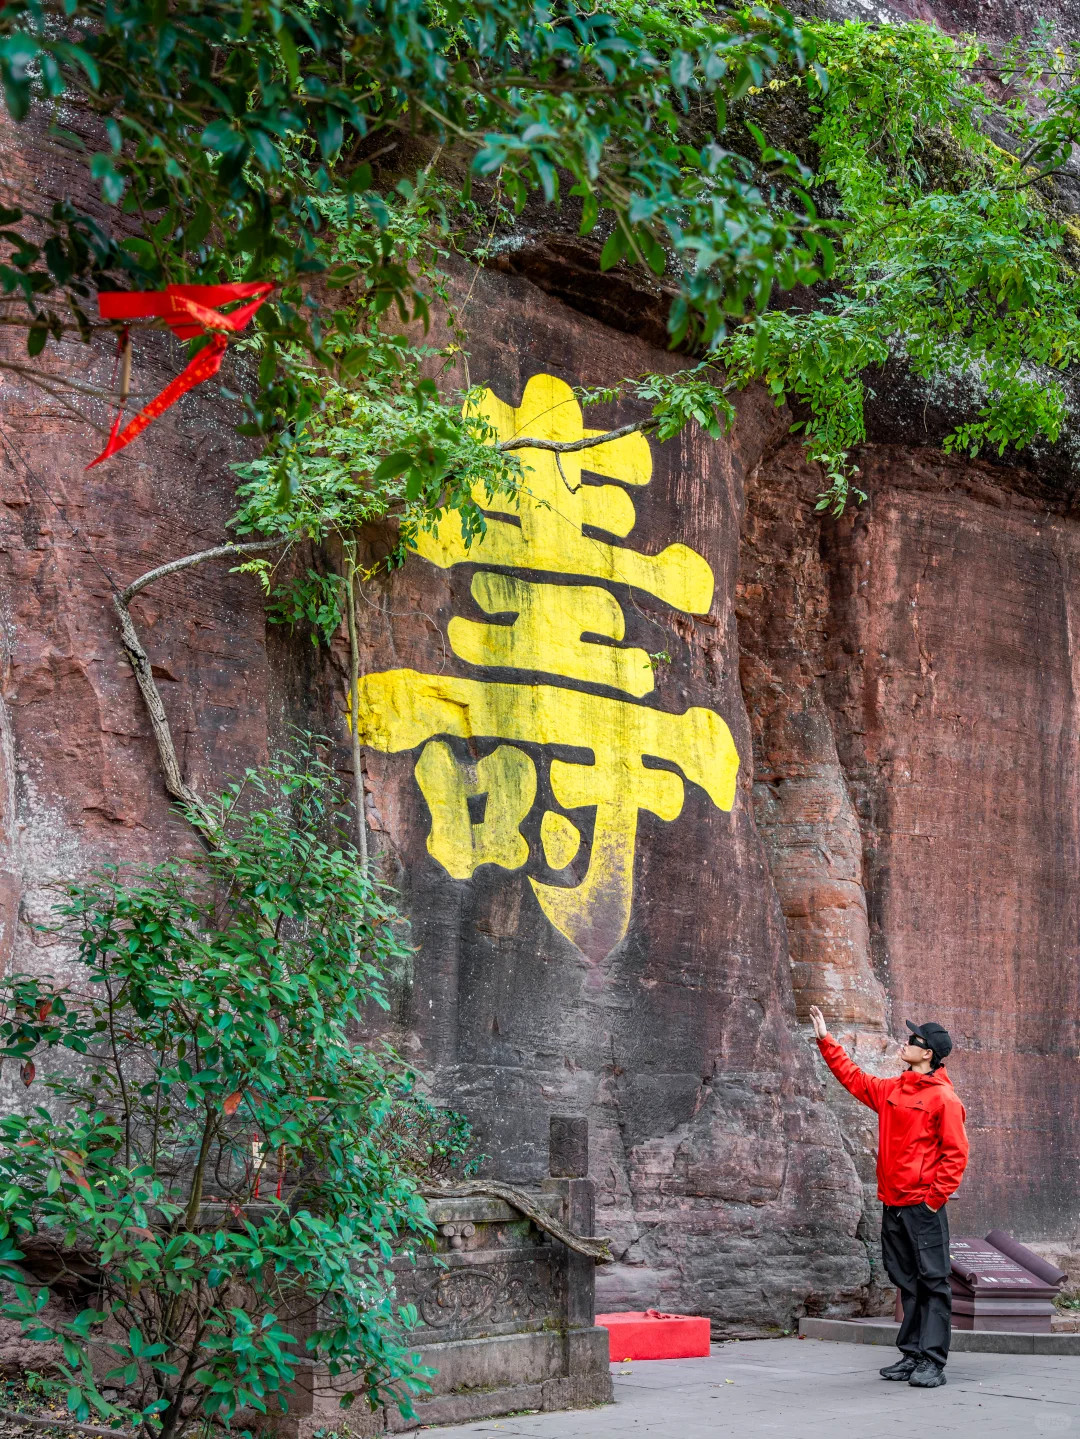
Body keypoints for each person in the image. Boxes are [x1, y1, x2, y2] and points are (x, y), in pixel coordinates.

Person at [808, 1005, 969, 1390]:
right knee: (906, 1281)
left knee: (933, 1283)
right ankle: (912, 1355)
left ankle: (933, 1361)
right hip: (893, 1205)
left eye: (913, 1040)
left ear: (927, 1052)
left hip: (922, 1208)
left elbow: (956, 1155)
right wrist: (825, 1041)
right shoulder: (894, 1089)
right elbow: (854, 1079)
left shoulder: (944, 1099)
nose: (906, 1042)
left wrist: (932, 1201)